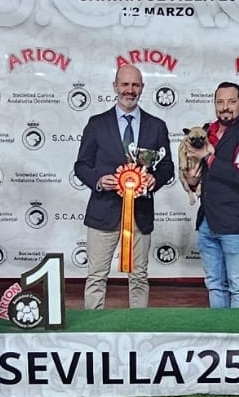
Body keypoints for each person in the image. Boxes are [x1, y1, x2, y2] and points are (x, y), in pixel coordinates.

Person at [73, 64, 175, 309]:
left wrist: (155, 180)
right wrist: (98, 181)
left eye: (135, 85)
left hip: (140, 213)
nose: (130, 90)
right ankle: (93, 326)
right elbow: (81, 165)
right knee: (96, 277)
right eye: (125, 84)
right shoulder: (96, 124)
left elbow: (167, 166)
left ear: (142, 88)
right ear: (115, 87)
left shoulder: (156, 126)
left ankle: (138, 327)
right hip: (102, 211)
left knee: (139, 277)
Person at [185, 81, 239, 308]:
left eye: (231, 101)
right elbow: (198, 172)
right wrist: (192, 180)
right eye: (220, 102)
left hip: (235, 223)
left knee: (237, 285)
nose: (225, 107)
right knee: (214, 285)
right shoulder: (206, 132)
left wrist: (207, 157)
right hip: (206, 221)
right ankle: (219, 330)